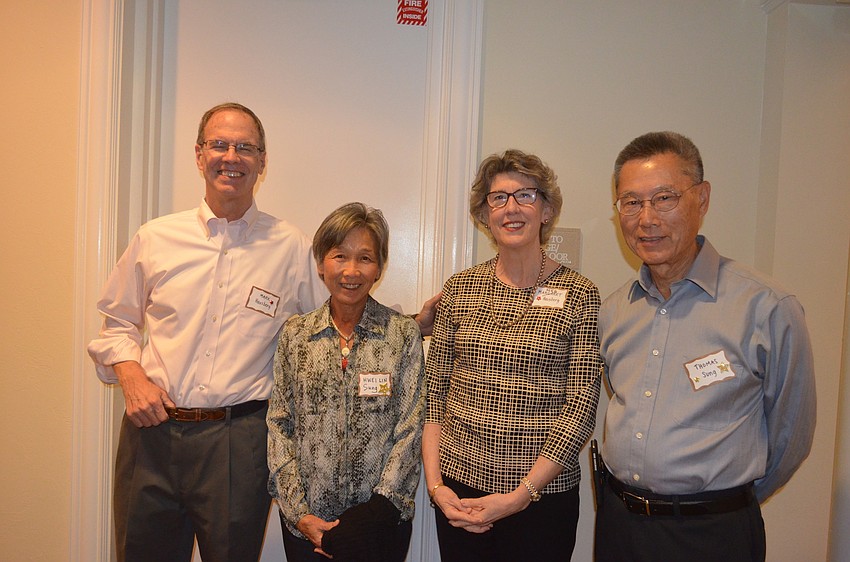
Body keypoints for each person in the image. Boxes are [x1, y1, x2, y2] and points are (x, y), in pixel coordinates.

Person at [86, 103, 436, 562]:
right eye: (219, 144)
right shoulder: (154, 238)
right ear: (199, 154)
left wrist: (409, 327)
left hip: (238, 441)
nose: (231, 157)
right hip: (153, 435)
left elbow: (340, 311)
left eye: (245, 148)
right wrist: (131, 376)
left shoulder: (289, 247)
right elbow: (116, 321)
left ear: (262, 161)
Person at [594, 131, 817, 562]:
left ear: (702, 198)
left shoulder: (767, 307)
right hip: (620, 526)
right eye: (631, 202)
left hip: (712, 535)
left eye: (664, 198)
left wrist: (723, 503)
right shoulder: (614, 310)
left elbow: (792, 434)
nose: (646, 219)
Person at [423, 149, 603, 561]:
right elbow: (434, 395)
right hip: (459, 493)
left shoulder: (580, 294)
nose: (511, 208)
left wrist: (519, 496)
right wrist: (436, 487)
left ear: (546, 210)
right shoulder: (460, 288)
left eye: (525, 195)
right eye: (498, 198)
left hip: (542, 499)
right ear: (485, 215)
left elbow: (580, 407)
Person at [267, 202, 424, 562]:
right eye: (340, 256)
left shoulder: (402, 335)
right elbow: (279, 425)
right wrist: (298, 513)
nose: (351, 271)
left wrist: (370, 518)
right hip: (307, 526)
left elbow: (411, 427)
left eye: (365, 258)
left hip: (380, 526)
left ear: (379, 267)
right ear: (321, 264)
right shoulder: (296, 335)